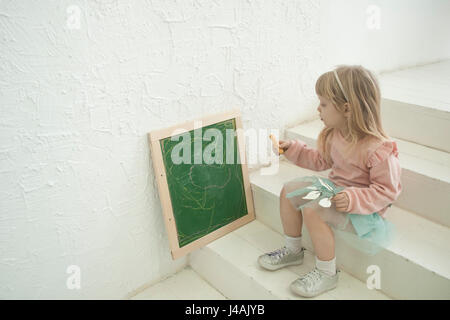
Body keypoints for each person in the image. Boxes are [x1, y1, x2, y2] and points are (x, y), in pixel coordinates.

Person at [258, 65, 402, 298]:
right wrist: (293, 150)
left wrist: (354, 198)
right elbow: (320, 161)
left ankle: (327, 272)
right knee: (289, 191)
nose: (318, 109)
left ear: (347, 108)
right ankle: (293, 250)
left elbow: (387, 191)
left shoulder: (378, 149)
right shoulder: (335, 134)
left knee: (315, 210)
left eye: (323, 104)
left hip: (363, 210)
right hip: (335, 192)